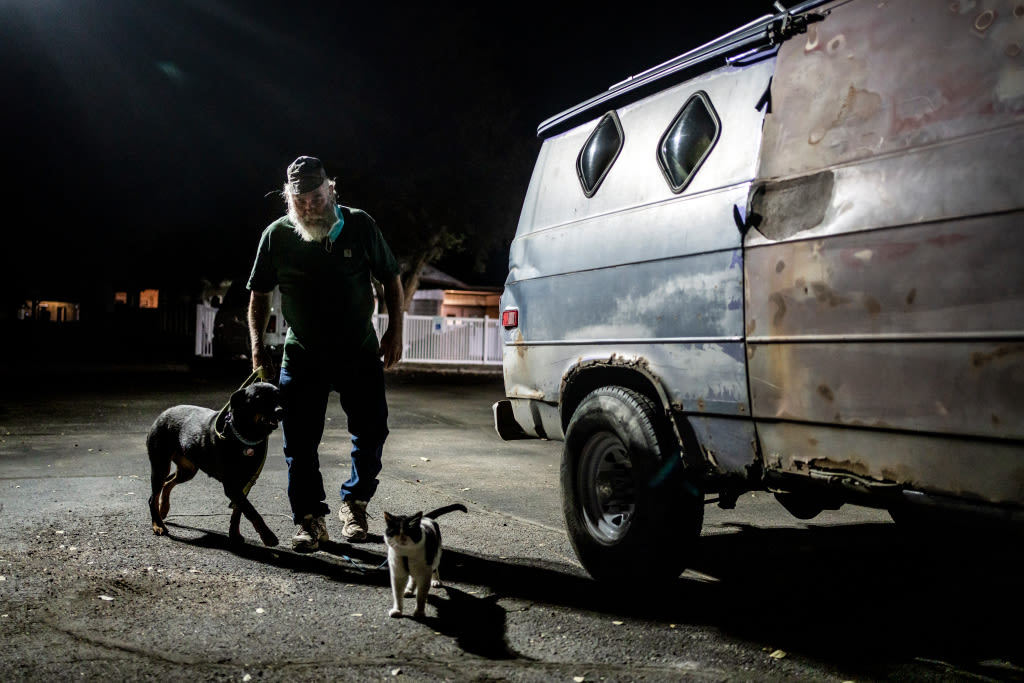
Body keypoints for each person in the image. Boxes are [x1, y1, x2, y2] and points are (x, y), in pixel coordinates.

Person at [247, 155, 404, 551]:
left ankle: (355, 501)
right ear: (289, 199)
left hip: (359, 351)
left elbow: (391, 278)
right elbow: (260, 294)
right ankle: (309, 518)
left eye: (316, 197)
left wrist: (395, 331)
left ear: (331, 189)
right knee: (299, 441)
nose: (309, 207)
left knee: (372, 430)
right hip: (303, 355)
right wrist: (257, 348)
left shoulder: (361, 225)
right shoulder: (277, 235)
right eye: (299, 201)